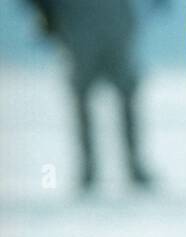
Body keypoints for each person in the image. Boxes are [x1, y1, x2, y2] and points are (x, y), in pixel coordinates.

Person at [25, 0, 154, 190]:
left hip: (94, 24)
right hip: (90, 23)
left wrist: (46, 15)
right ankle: (102, 168)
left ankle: (107, 168)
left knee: (109, 96)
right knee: (94, 98)